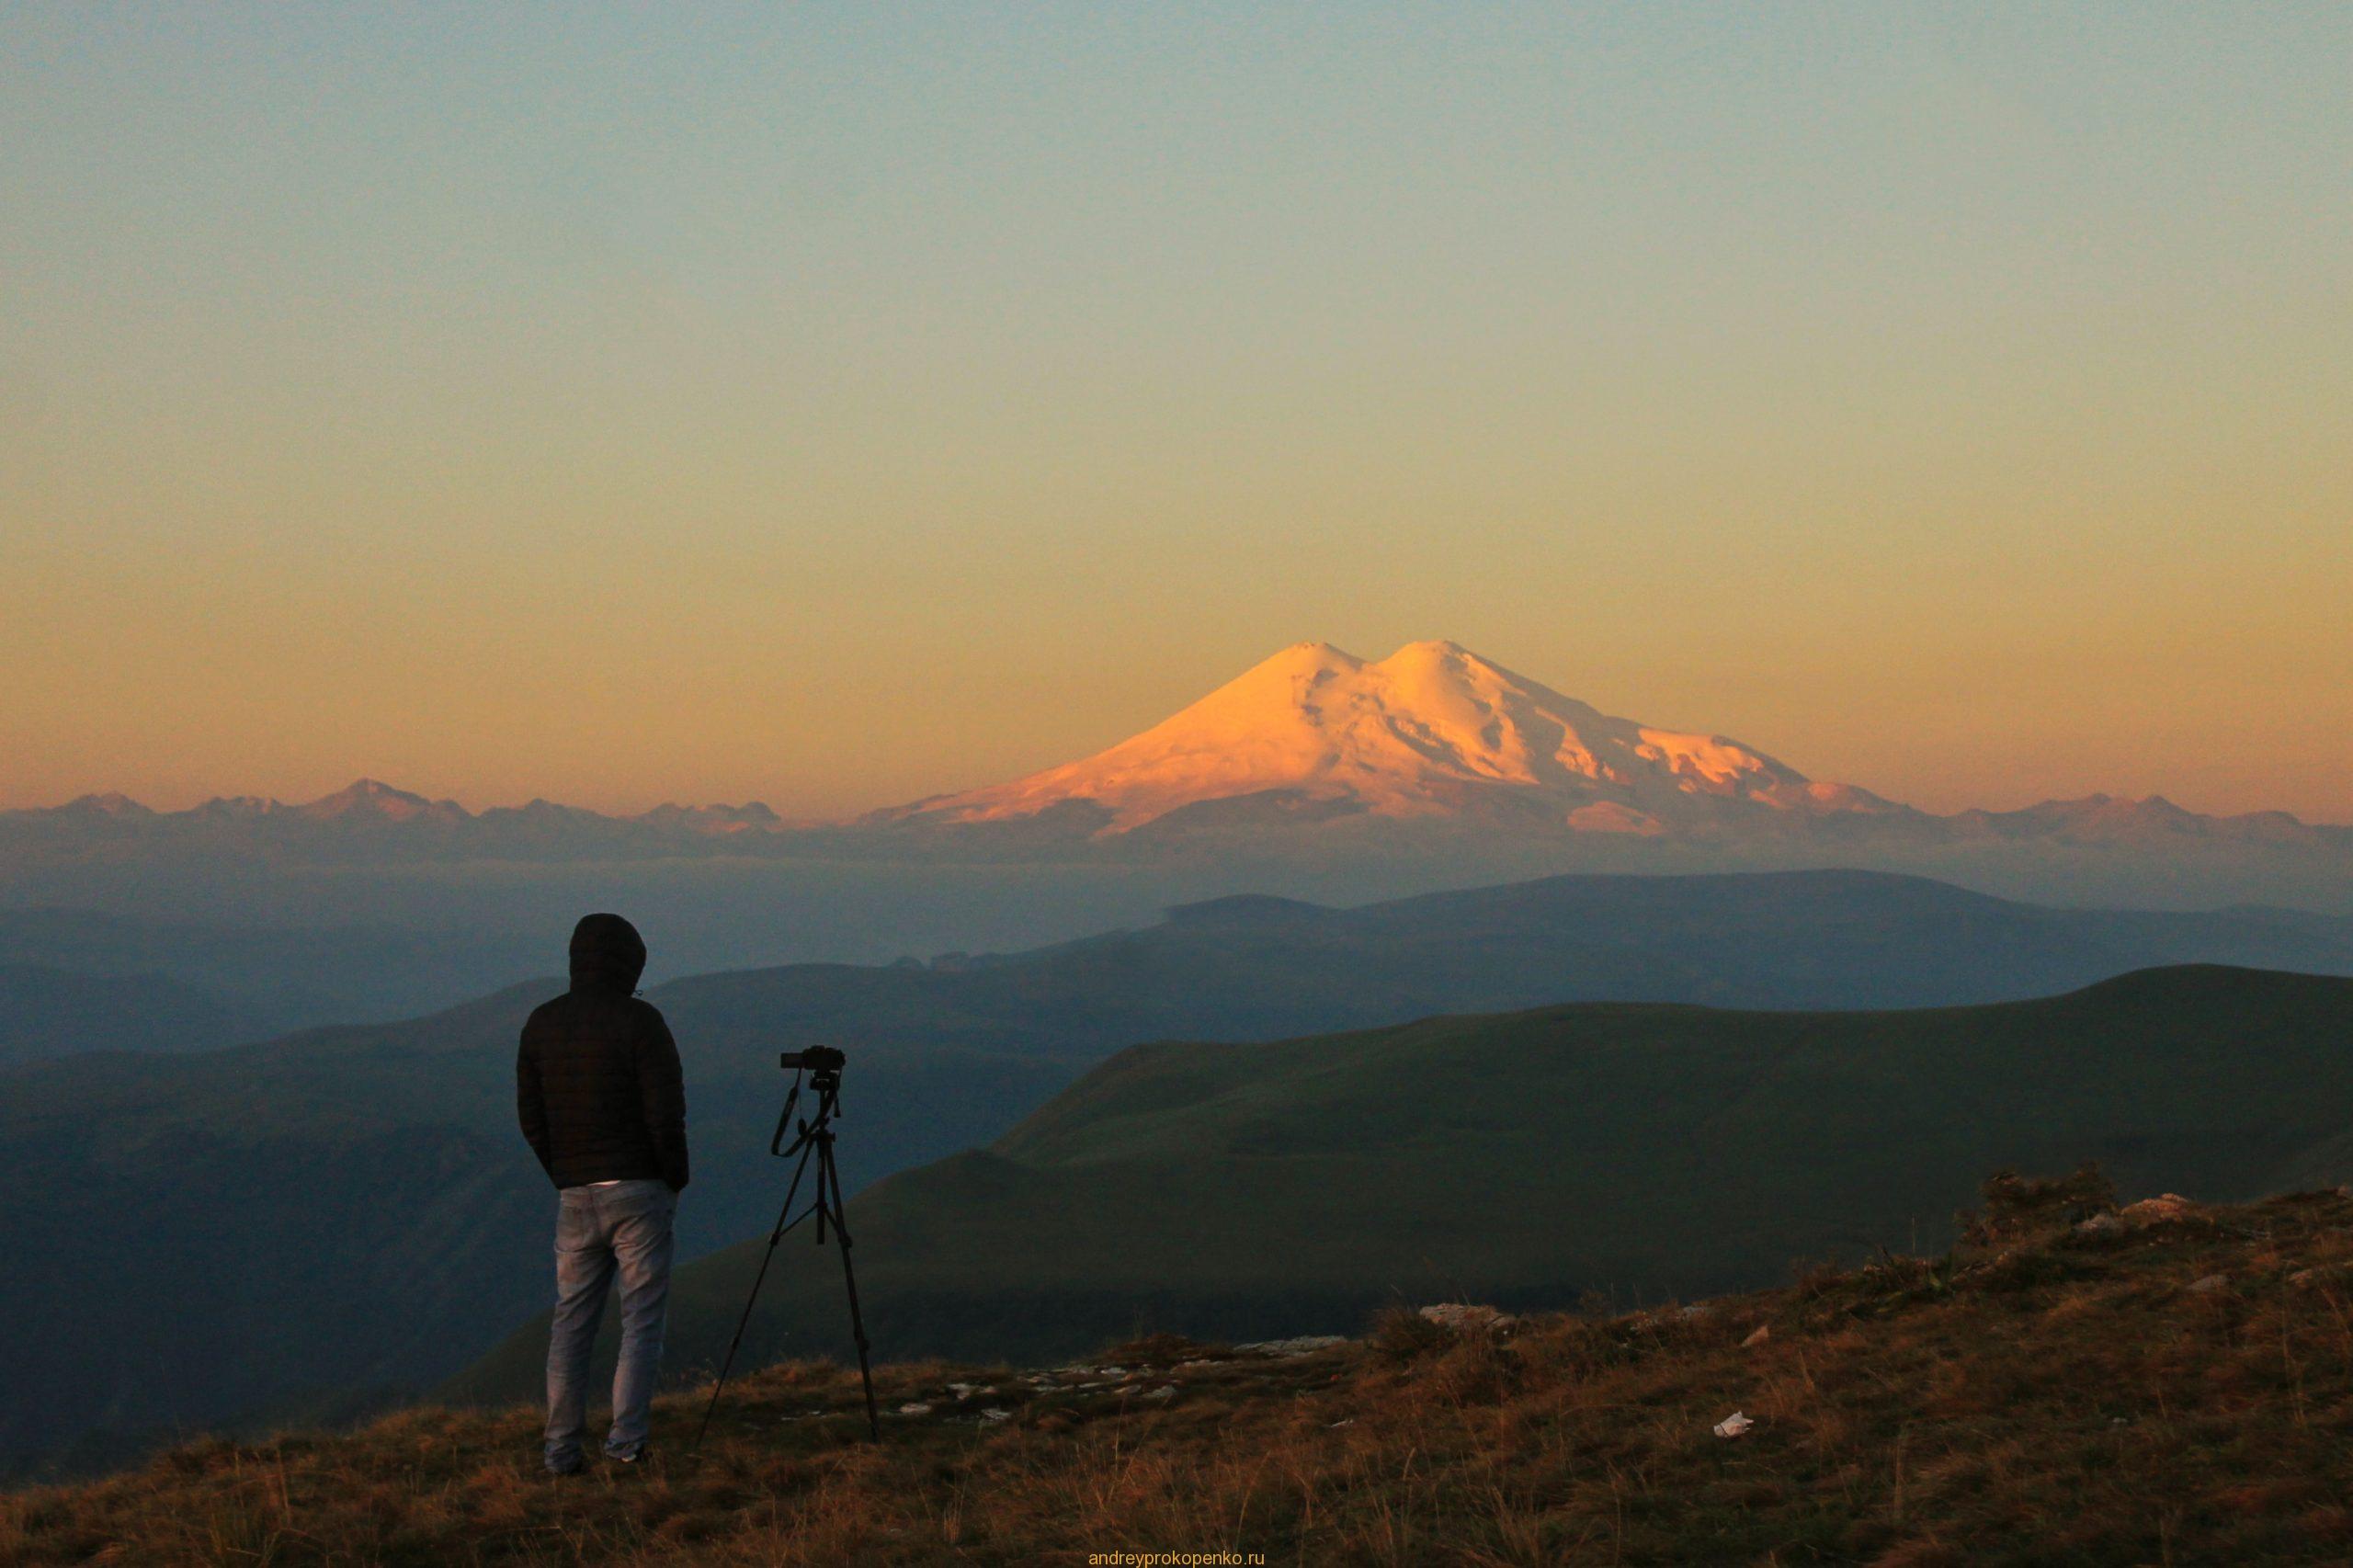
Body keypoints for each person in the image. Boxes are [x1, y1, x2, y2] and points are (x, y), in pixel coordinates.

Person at [516, 912, 690, 1474]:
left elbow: (532, 1116)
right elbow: (666, 1113)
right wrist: (673, 1176)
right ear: (629, 961)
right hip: (639, 1189)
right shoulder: (641, 1021)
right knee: (640, 1322)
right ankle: (625, 1446)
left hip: (575, 1194)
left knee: (571, 1323)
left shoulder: (541, 1023)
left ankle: (560, 1451)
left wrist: (563, 1172)